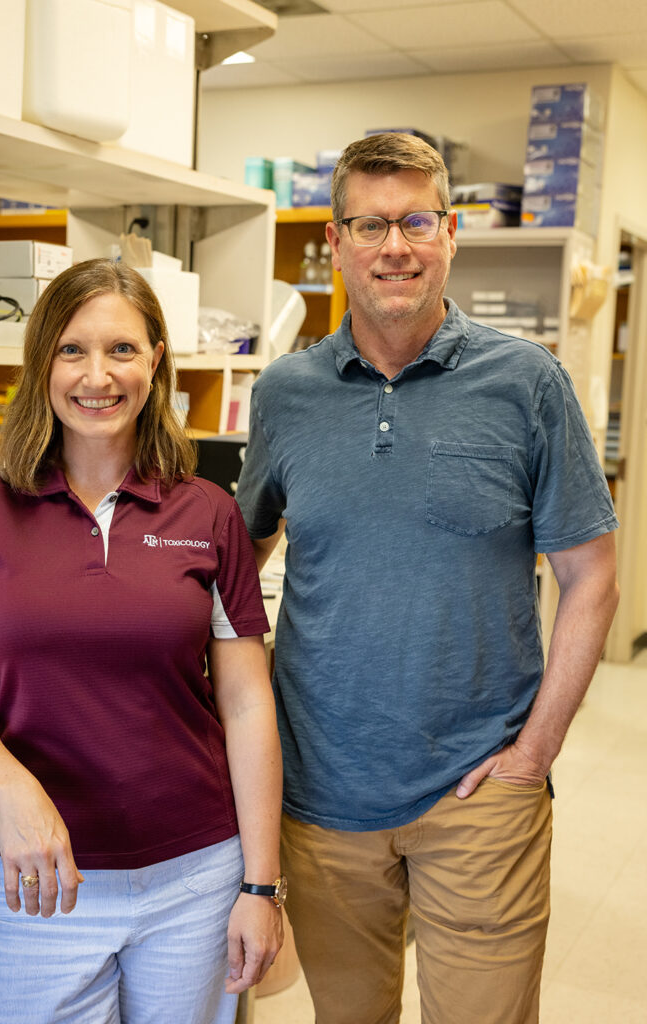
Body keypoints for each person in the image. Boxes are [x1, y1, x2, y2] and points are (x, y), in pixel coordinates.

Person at [235, 132, 620, 1024]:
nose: (394, 247)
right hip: (322, 797)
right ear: (334, 244)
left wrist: (534, 757)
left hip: (482, 792)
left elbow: (593, 576)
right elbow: (233, 570)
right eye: (368, 225)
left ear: (450, 231)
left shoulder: (527, 382)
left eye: (415, 220)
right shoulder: (285, 393)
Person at [0, 258, 284, 1024]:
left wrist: (261, 884)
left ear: (155, 361)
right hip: (37, 878)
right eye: (73, 349)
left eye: (121, 349)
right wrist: (16, 793)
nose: (96, 376)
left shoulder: (208, 515)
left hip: (195, 877)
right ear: (42, 361)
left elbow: (247, 704)